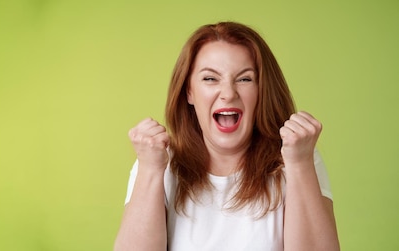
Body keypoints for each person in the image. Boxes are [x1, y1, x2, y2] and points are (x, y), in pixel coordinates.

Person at [114, 22, 340, 251]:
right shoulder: (158, 162)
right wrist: (150, 169)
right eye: (210, 79)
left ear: (262, 91)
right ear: (189, 92)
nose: (229, 94)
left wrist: (300, 164)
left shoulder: (297, 159)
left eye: (244, 79)